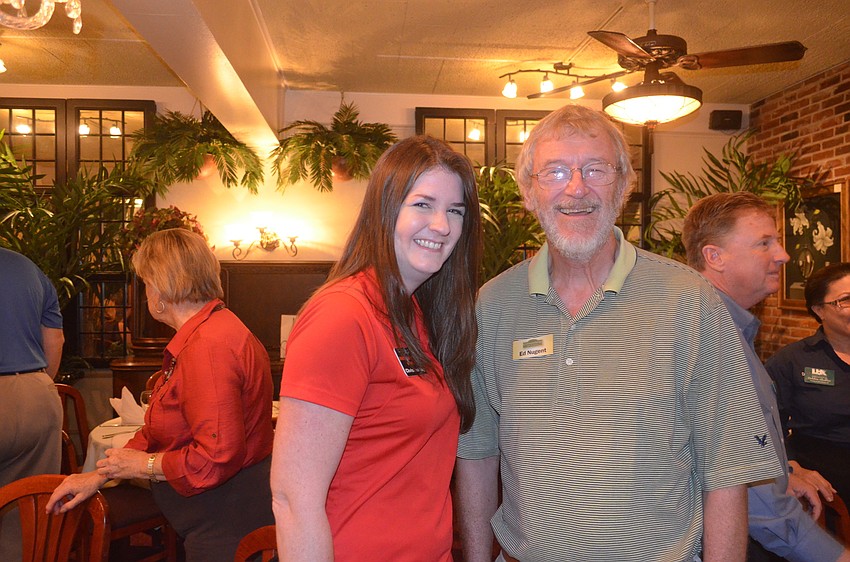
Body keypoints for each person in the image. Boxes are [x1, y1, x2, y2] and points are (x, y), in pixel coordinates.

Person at [455, 104, 783, 562]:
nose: (576, 188)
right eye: (554, 172)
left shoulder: (690, 300)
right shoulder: (492, 305)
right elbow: (477, 453)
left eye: (596, 169)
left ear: (624, 186)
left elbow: (726, 468)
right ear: (528, 192)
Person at [270, 135, 482, 561]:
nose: (441, 225)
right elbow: (293, 500)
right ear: (385, 209)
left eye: (454, 211)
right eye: (423, 204)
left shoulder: (413, 313)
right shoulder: (343, 315)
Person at [47, 229, 274, 562]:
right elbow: (157, 430)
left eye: (146, 282)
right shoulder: (209, 330)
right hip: (219, 513)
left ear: (162, 287)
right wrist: (98, 475)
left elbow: (215, 458)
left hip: (225, 516)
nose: (146, 292)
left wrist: (147, 465)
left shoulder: (208, 346)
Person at [683, 192, 849, 562]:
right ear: (715, 256)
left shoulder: (724, 328)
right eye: (764, 243)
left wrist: (783, 470)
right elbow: (759, 504)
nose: (783, 254)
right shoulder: (708, 338)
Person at [766, 262, 850, 505]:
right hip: (823, 474)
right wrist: (791, 466)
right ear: (819, 310)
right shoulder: (793, 361)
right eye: (845, 300)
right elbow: (766, 423)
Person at [0, 247, 65, 562]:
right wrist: (37, 383)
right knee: (27, 513)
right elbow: (55, 340)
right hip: (35, 393)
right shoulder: (27, 267)